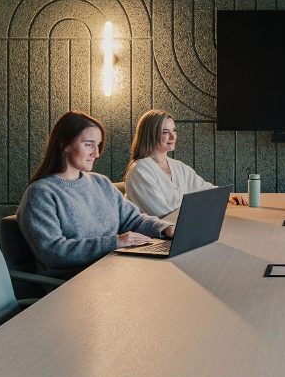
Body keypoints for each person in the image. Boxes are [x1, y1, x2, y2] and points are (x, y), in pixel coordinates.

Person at [18, 110, 174, 278]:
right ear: (64, 143)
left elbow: (133, 219)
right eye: (88, 144)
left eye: (98, 145)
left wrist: (165, 228)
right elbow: (53, 252)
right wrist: (116, 242)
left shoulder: (101, 183)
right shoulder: (40, 194)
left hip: (116, 270)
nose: (96, 153)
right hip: (74, 283)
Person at [124, 109, 248, 218]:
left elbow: (203, 188)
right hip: (153, 238)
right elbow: (162, 215)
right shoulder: (139, 170)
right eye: (165, 132)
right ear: (149, 135)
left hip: (180, 230)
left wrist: (228, 196)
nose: (173, 137)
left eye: (174, 130)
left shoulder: (178, 166)